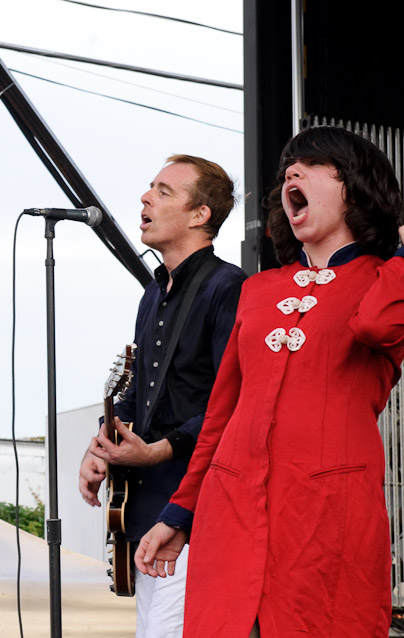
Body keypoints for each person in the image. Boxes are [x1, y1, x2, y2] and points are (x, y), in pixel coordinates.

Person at [133, 126, 404, 638]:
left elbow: (378, 325)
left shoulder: (393, 279)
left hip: (324, 517)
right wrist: (179, 513)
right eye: (289, 167)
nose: (292, 172)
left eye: (313, 165)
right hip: (231, 513)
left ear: (355, 187)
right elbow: (223, 414)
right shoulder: (260, 289)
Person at [78, 154, 247, 638]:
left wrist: (158, 450)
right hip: (148, 509)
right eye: (150, 187)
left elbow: (229, 401)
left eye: (164, 191)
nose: (145, 197)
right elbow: (138, 395)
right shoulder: (153, 293)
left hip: (195, 509)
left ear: (200, 215)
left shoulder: (227, 286)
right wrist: (100, 446)